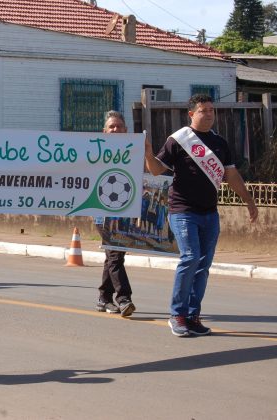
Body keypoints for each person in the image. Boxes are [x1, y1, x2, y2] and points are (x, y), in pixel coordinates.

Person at [145, 94, 258, 337]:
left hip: (209, 213)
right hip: (183, 211)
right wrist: (147, 152)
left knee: (203, 265)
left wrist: (249, 201)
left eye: (211, 110)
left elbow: (231, 175)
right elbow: (155, 169)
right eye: (203, 110)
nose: (208, 114)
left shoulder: (219, 143)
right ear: (191, 114)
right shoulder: (178, 140)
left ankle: (192, 315)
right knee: (190, 257)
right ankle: (177, 314)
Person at [96, 111, 136, 317]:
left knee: (114, 255)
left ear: (126, 130)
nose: (115, 129)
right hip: (102, 213)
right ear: (104, 131)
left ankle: (103, 298)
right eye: (111, 127)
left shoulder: (133, 152)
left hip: (125, 211)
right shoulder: (96, 153)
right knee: (114, 253)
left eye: (119, 126)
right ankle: (123, 298)